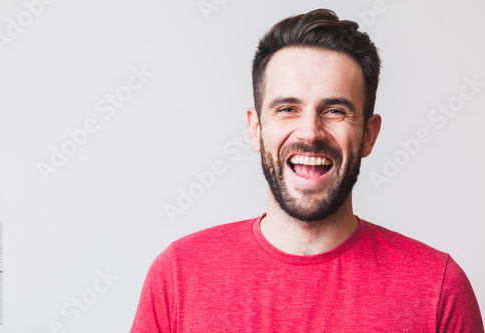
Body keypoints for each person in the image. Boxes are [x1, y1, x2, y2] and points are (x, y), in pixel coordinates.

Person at [131, 9, 484, 332]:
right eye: (287, 109)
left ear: (368, 135)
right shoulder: (178, 277)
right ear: (255, 129)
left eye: (334, 111)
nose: (310, 132)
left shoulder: (438, 289)